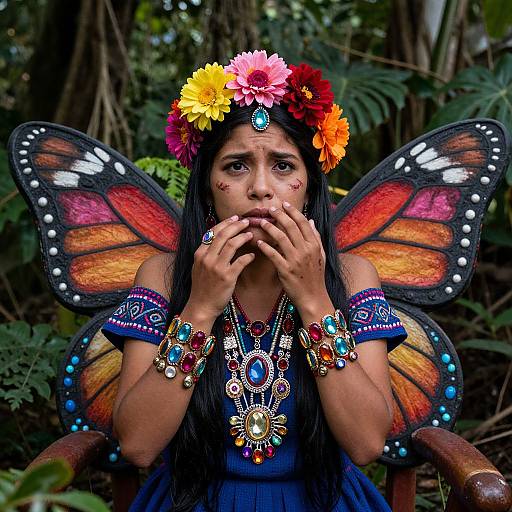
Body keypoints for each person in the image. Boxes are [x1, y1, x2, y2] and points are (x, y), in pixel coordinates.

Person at [102, 50, 407, 512]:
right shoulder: (163, 279)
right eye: (235, 166)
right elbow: (138, 445)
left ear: (309, 188)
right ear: (207, 185)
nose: (260, 188)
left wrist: (314, 298)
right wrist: (200, 308)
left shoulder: (352, 277)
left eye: (283, 166)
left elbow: (366, 444)